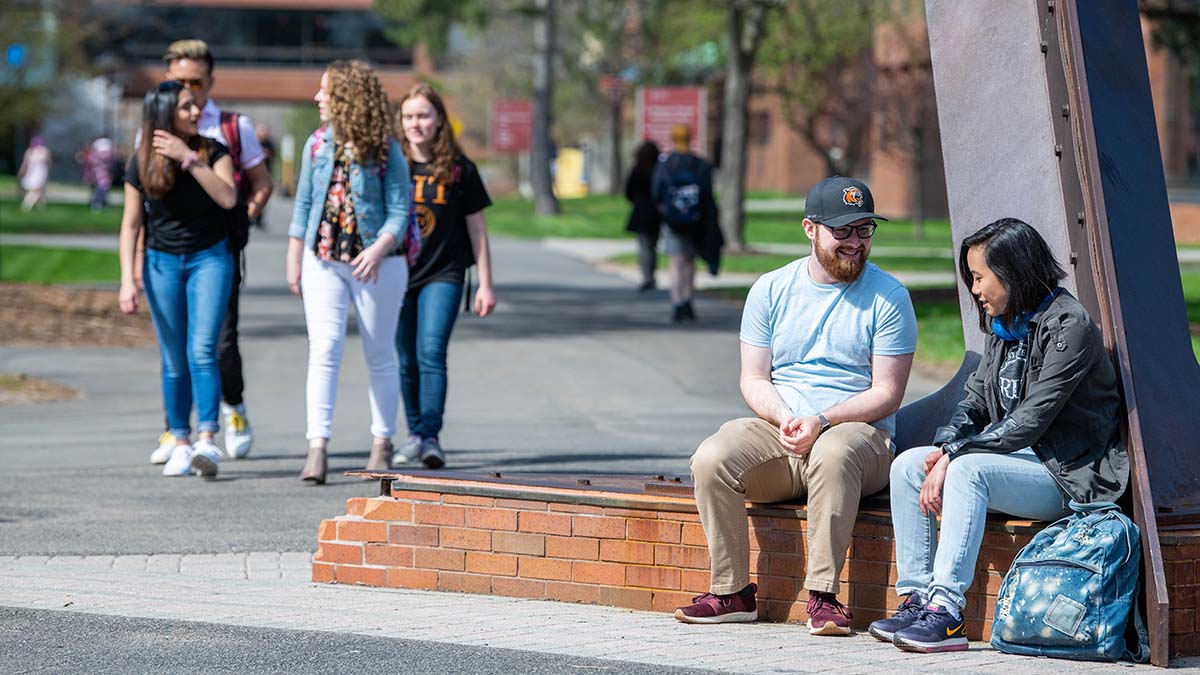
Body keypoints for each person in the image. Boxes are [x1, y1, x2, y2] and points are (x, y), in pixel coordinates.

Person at [869, 218, 1129, 653]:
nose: (975, 289)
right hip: (1017, 463)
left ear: (1014, 272)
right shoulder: (1005, 327)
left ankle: (947, 612)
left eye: (979, 277)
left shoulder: (1069, 327)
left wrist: (956, 454)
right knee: (909, 465)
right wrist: (943, 448)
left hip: (1068, 475)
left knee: (968, 470)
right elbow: (974, 402)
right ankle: (916, 598)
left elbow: (1031, 418)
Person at [675, 176, 917, 636]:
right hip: (782, 429)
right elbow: (753, 377)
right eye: (842, 231)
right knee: (713, 457)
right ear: (810, 229)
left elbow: (888, 392)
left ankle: (823, 598)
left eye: (864, 230)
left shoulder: (889, 297)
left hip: (859, 438)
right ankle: (731, 594)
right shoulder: (770, 289)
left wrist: (823, 420)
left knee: (834, 451)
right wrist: (786, 417)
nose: (855, 243)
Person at [146, 39, 274, 466]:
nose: (190, 90)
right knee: (176, 347)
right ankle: (176, 429)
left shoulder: (231, 127)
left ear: (210, 81)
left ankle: (232, 408)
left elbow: (260, 183)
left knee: (218, 343)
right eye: (179, 81)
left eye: (196, 82)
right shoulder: (155, 128)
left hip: (217, 250)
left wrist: (240, 218)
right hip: (169, 250)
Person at [288, 60, 416, 484]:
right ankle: (317, 446)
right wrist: (295, 257)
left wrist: (379, 248)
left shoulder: (384, 147)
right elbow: (304, 205)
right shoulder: (316, 144)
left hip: (377, 265)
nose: (317, 98)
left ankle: (382, 442)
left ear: (347, 97)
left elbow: (401, 211)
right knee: (323, 349)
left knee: (379, 353)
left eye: (326, 91)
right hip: (323, 259)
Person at [117, 81, 238, 478]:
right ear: (165, 113)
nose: (195, 111)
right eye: (185, 107)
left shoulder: (212, 150)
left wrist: (189, 158)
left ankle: (207, 439)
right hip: (161, 263)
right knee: (173, 360)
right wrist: (127, 280)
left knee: (202, 350)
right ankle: (180, 442)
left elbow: (227, 198)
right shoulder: (141, 160)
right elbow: (131, 223)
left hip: (209, 259)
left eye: (194, 105)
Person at [392, 83, 496, 470]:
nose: (415, 123)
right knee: (406, 359)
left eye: (423, 115)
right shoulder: (390, 164)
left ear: (439, 121)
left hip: (445, 273)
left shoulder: (458, 168)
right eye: (408, 116)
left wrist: (485, 283)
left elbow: (477, 230)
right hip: (396, 276)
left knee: (431, 352)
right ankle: (414, 432)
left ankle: (431, 436)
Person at [650, 124, 721, 322]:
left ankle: (677, 301)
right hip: (696, 221)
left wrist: (666, 212)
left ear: (673, 139)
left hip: (673, 221)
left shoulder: (665, 165)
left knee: (676, 262)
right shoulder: (700, 164)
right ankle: (688, 299)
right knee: (690, 261)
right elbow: (707, 194)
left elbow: (656, 193)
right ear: (690, 138)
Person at [624, 140, 662, 292]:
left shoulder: (637, 170)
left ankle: (647, 276)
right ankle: (650, 275)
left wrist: (637, 201)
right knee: (651, 246)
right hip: (655, 213)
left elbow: (628, 191)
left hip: (640, 212)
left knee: (643, 246)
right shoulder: (658, 170)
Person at [18, 136, 51, 212]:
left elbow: (24, 164)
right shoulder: (44, 151)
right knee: (36, 191)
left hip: (35, 172)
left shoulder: (30, 152)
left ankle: (39, 207)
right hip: (37, 172)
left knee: (37, 190)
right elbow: (49, 163)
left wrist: (22, 172)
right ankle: (27, 205)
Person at [81, 137, 114, 211]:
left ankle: (102, 203)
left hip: (103, 176)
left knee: (103, 189)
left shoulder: (104, 157)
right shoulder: (95, 157)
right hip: (99, 176)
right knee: (100, 189)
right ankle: (97, 203)